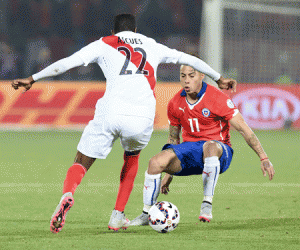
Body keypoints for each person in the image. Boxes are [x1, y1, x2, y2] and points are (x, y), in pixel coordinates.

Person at [11, 14, 237, 233]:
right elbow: (189, 60)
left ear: (113, 31)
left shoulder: (104, 43)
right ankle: (117, 216)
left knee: (81, 160)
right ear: (135, 30)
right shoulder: (152, 45)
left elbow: (67, 63)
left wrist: (32, 78)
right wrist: (218, 77)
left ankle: (68, 193)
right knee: (132, 158)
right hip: (141, 116)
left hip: (111, 111)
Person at [129, 64, 274, 226]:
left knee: (210, 146)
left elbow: (244, 130)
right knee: (154, 162)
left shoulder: (218, 98)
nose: (186, 80)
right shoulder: (175, 103)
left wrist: (263, 157)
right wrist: (169, 174)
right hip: (190, 152)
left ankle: (207, 203)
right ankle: (146, 213)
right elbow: (173, 139)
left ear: (202, 76)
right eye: (183, 76)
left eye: (191, 75)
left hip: (219, 151)